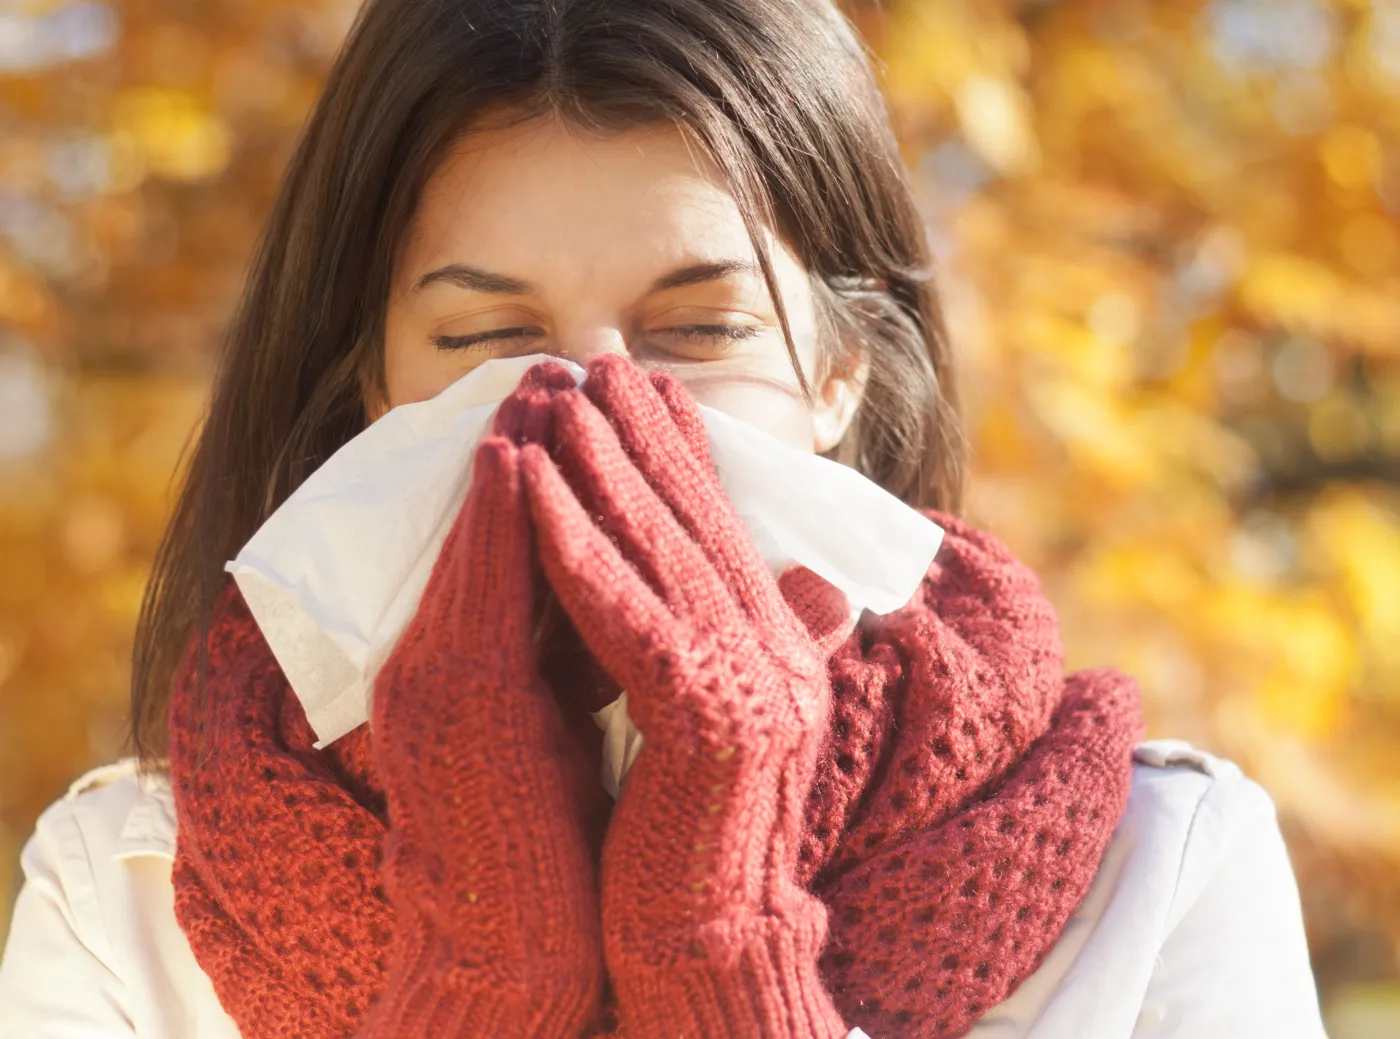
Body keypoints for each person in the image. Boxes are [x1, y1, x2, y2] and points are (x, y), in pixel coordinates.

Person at [0, 1, 1329, 1037]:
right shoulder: (126, 888)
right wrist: (480, 983)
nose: (594, 413)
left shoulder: (1156, 876)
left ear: (843, 369)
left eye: (698, 329)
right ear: (375, 385)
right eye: (485, 337)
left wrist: (724, 958)